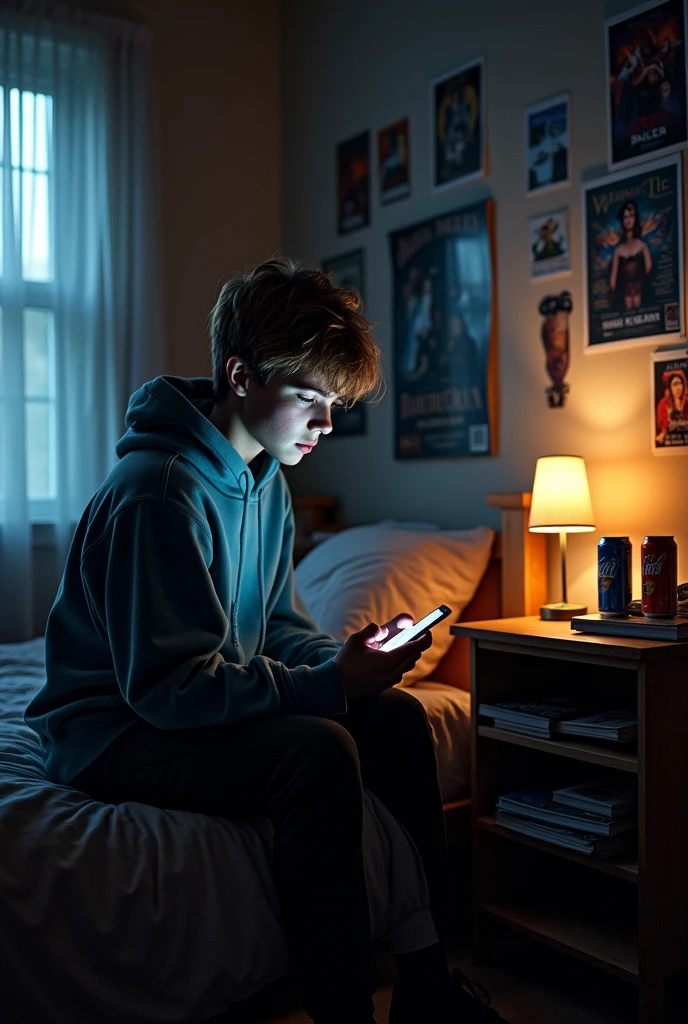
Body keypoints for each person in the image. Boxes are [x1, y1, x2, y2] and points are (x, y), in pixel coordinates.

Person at [24, 256, 507, 1024]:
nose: (326, 424)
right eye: (310, 398)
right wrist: (327, 688)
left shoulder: (266, 481)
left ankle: (425, 982)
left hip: (175, 708)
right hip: (113, 731)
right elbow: (169, 688)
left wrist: (342, 663)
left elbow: (277, 626)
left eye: (334, 404)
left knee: (399, 719)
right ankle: (342, 1010)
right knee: (317, 753)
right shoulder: (159, 494)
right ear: (241, 374)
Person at [609, 200, 652, 312]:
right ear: (622, 220)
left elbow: (649, 270)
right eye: (625, 217)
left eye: (631, 216)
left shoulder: (642, 246)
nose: (628, 220)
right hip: (624, 299)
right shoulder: (618, 251)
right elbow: (612, 282)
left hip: (642, 296)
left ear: (635, 218)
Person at [656, 368, 688, 444]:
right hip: (671, 440)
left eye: (680, 383)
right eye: (675, 384)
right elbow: (664, 428)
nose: (678, 388)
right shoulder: (663, 404)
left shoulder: (687, 402)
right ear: (670, 387)